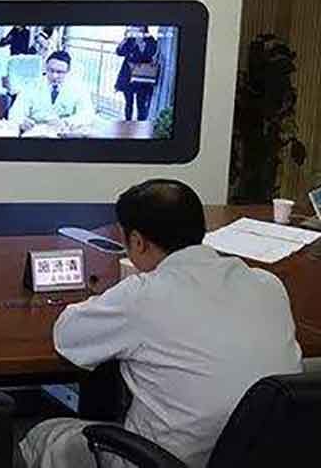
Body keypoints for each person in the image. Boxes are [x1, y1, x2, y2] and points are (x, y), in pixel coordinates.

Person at [19, 180, 302, 468]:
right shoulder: (268, 285)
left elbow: (67, 337)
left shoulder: (143, 296)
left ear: (137, 242)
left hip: (162, 460)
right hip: (265, 455)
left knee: (47, 436)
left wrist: (108, 299)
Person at [8, 51, 94, 135]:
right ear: (45, 67)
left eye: (59, 72)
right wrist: (22, 121)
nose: (54, 76)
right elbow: (15, 112)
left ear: (68, 71)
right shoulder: (31, 85)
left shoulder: (79, 88)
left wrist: (66, 122)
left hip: (65, 132)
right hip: (35, 131)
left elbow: (87, 114)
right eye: (51, 70)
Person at [115, 26, 159, 122]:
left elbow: (150, 55)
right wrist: (125, 39)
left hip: (142, 76)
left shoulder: (150, 40)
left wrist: (141, 45)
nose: (135, 28)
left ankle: (140, 126)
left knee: (141, 104)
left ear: (144, 28)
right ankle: (128, 123)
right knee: (128, 103)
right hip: (128, 75)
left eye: (137, 27)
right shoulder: (130, 39)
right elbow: (119, 52)